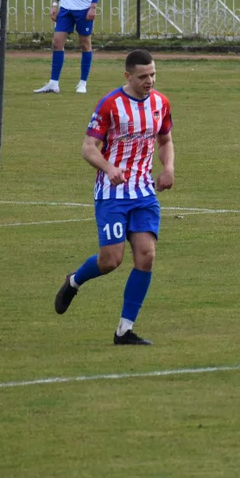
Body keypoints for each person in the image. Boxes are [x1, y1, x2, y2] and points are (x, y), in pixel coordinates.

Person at [52, 49, 174, 345]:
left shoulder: (160, 103)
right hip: (112, 194)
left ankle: (124, 330)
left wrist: (168, 167)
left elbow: (165, 140)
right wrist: (109, 168)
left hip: (144, 192)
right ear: (128, 76)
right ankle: (74, 280)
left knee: (146, 256)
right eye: (143, 76)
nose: (150, 81)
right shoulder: (110, 104)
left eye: (153, 74)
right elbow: (88, 148)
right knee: (111, 260)